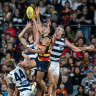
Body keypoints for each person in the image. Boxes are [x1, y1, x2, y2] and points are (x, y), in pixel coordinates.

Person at [49, 26, 94, 96]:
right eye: (56, 29)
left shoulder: (64, 41)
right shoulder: (50, 38)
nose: (57, 29)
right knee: (50, 83)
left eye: (59, 29)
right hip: (49, 62)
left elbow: (76, 49)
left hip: (56, 64)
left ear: (62, 33)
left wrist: (87, 47)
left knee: (54, 86)